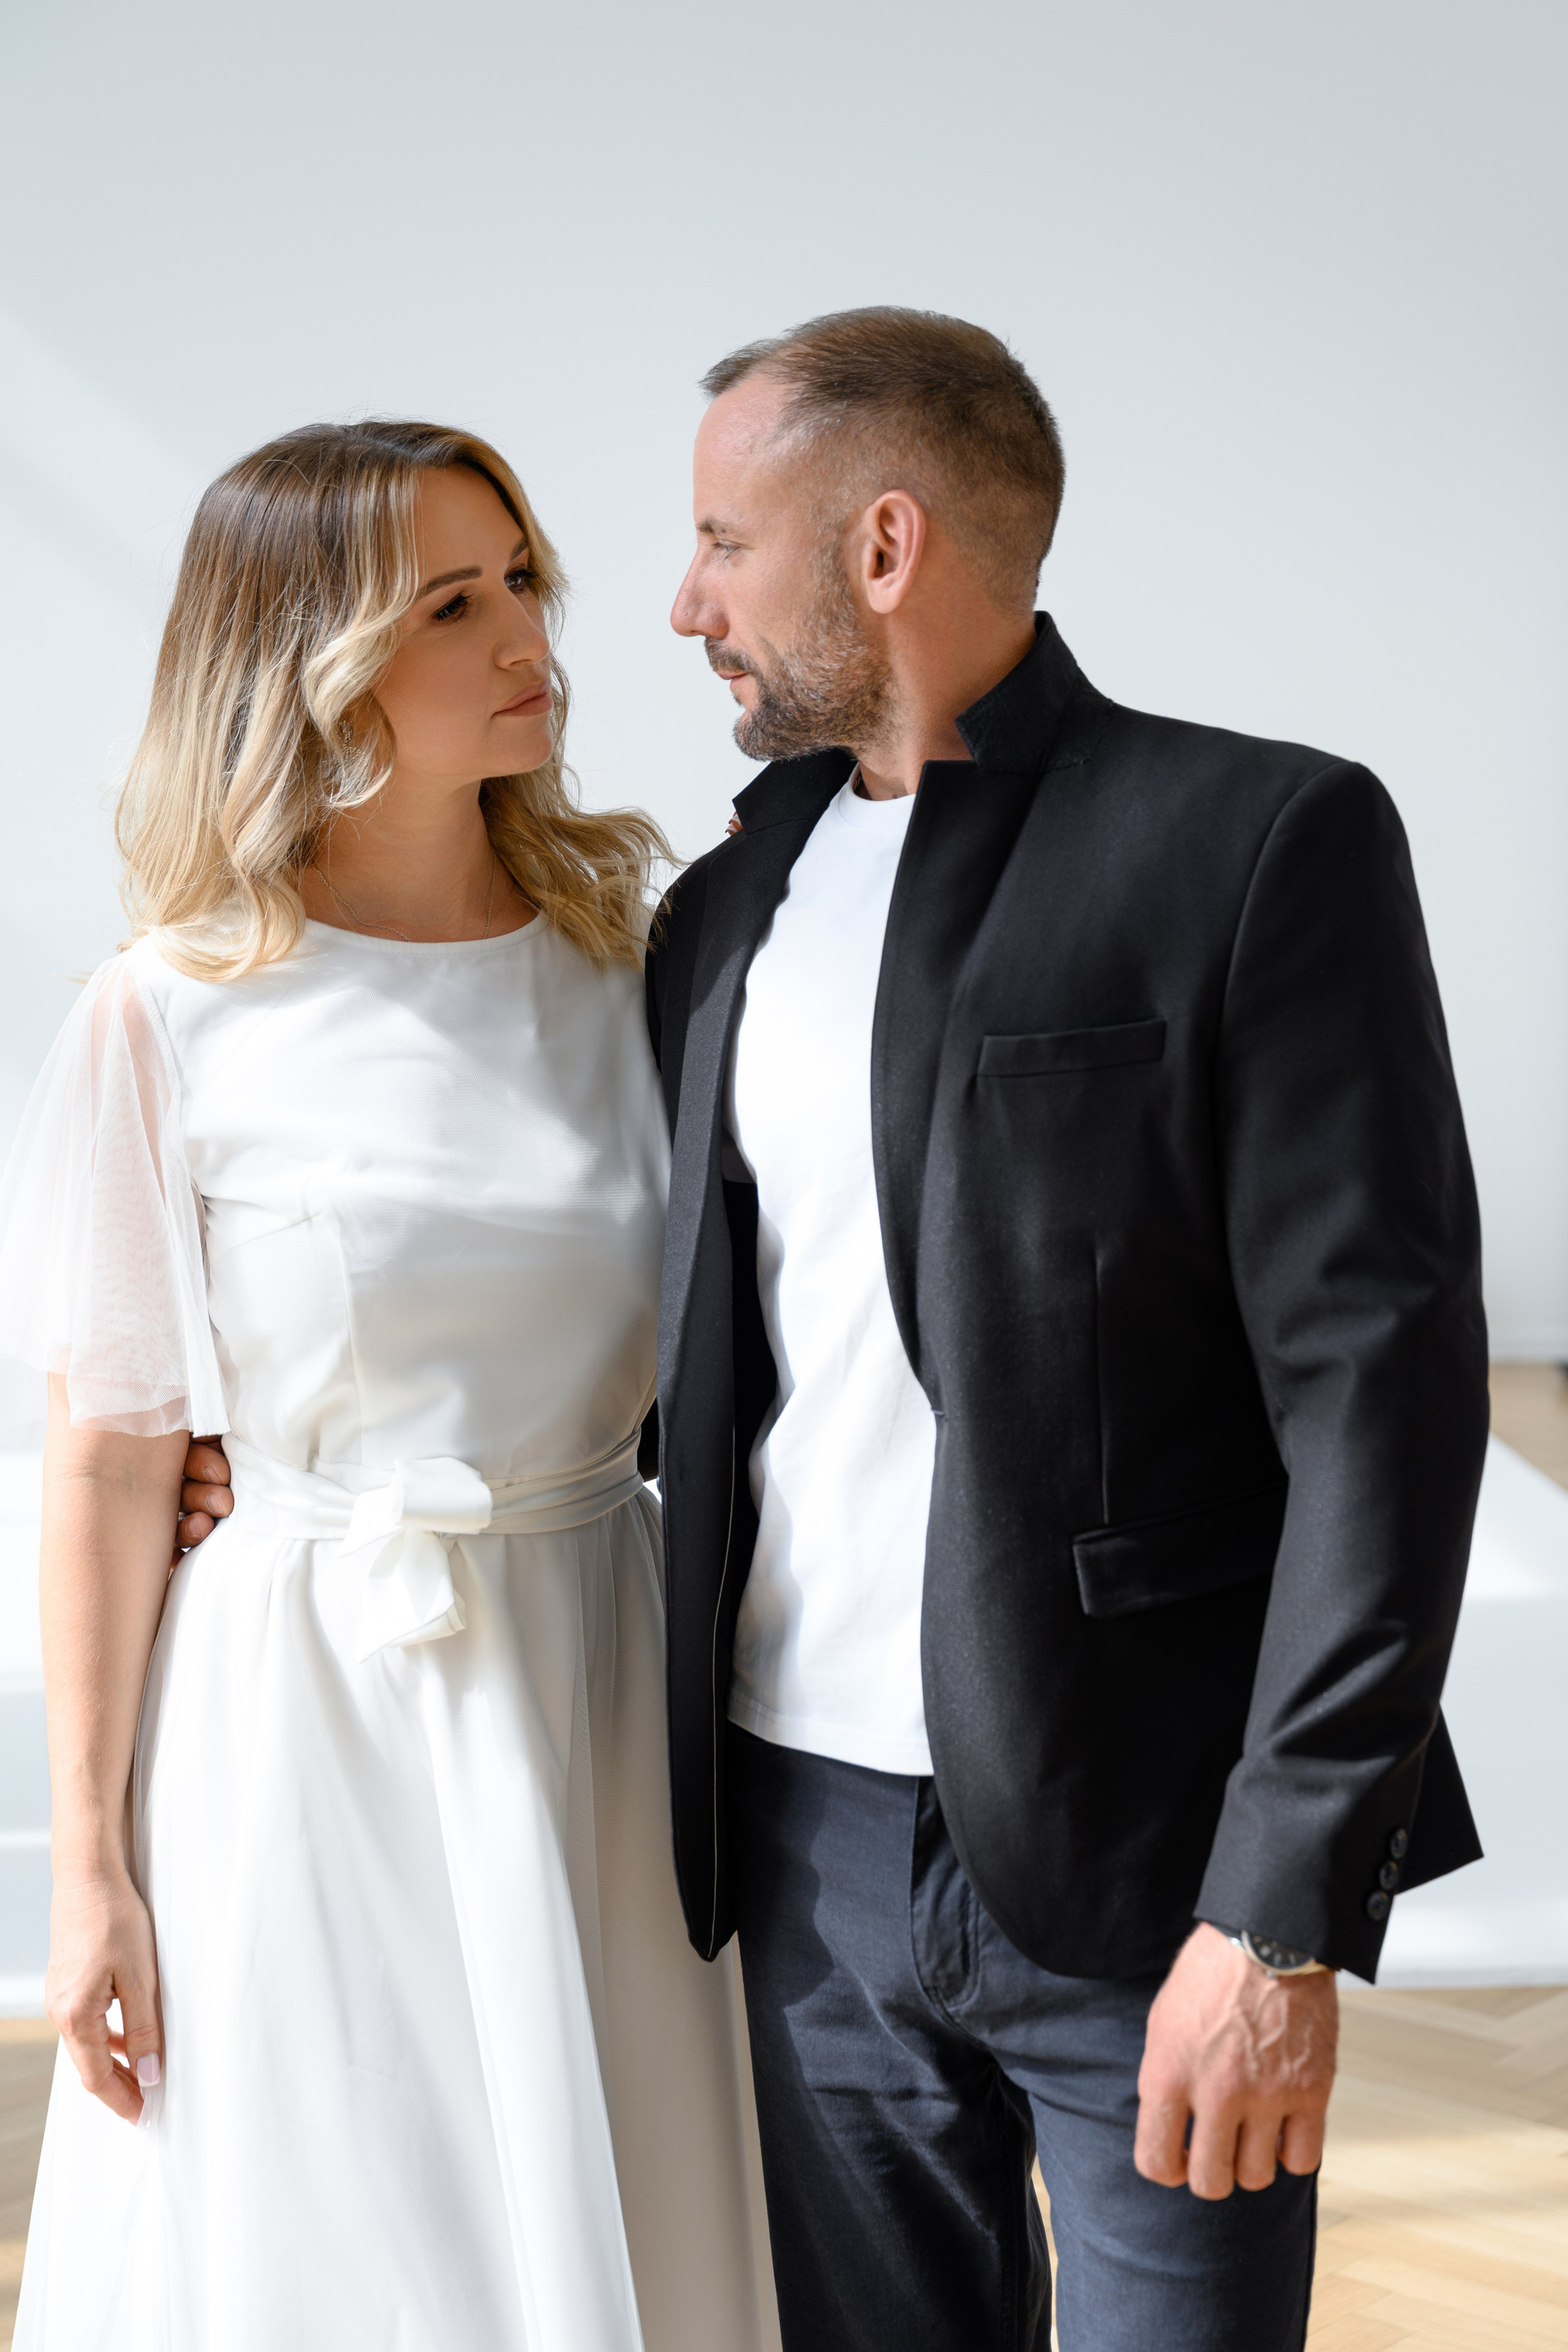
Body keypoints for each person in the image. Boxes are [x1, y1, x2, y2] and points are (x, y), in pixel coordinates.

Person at [642, 308, 1488, 2350]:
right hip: (800, 1846)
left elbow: (1379, 1403)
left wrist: (1279, 1911)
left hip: (1153, 1853)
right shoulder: (721, 911)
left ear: (882, 546)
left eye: (724, 543)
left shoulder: (1254, 840)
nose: (686, 605)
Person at [0, 421, 776, 2352]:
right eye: (449, 605)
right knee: (345, 2245)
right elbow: (107, 1465)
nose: (528, 636)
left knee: (606, 2215)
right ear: (312, 661)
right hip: (300, 1710)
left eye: (522, 581)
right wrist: (88, 1873)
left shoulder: (632, 968)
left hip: (598, 1676)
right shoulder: (171, 1010)